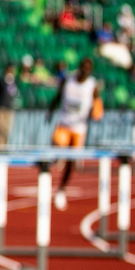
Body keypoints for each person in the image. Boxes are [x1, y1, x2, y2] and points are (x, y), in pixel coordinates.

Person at [48, 57, 101, 210]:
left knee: (72, 162)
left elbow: (96, 103)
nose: (85, 70)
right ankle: (58, 159)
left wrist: (95, 112)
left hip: (79, 128)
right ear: (79, 67)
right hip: (64, 123)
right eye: (83, 67)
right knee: (56, 144)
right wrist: (50, 111)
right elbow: (58, 96)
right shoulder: (68, 81)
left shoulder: (92, 85)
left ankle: (62, 190)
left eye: (88, 68)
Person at [0, 63, 19, 147]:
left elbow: (14, 93)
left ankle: (5, 145)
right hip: (2, 106)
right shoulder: (1, 81)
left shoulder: (13, 82)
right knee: (1, 128)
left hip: (9, 107)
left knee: (7, 129)